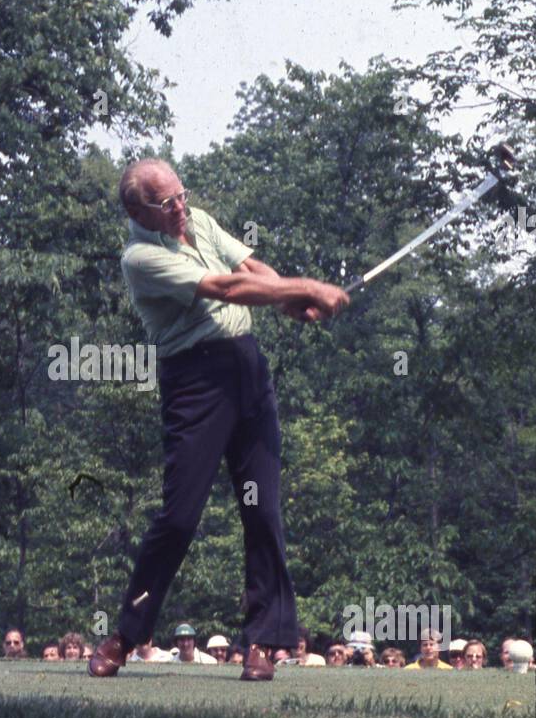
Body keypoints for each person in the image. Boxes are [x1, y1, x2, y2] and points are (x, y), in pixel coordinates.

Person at [88, 160, 349, 683]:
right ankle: (127, 634)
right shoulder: (139, 258)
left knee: (264, 511)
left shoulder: (198, 221)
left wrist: (292, 299)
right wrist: (309, 287)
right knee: (179, 517)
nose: (181, 207)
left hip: (247, 368)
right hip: (195, 383)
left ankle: (264, 644)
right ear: (138, 211)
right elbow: (227, 289)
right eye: (167, 203)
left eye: (182, 195)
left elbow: (250, 269)